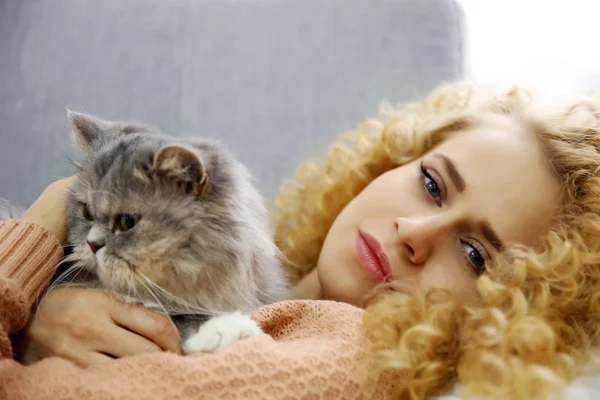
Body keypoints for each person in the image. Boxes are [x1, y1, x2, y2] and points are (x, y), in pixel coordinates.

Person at [2, 82, 600, 399]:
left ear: (510, 318)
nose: (415, 234)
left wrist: (32, 241)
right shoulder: (271, 299)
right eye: (431, 183)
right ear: (386, 163)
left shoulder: (346, 361)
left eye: (475, 255)